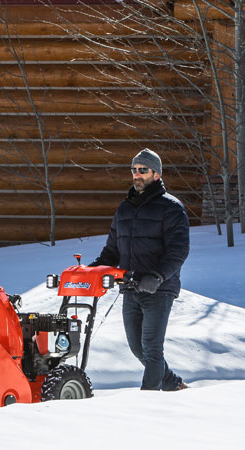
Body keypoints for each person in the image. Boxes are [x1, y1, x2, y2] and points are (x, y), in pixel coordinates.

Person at [90, 148, 189, 391]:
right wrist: (92, 270)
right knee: (137, 348)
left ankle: (148, 403)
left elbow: (178, 250)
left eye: (142, 170)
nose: (137, 174)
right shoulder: (125, 208)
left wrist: (157, 276)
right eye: (134, 170)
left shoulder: (171, 208)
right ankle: (173, 385)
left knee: (152, 348)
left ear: (156, 174)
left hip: (159, 289)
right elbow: (112, 250)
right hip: (130, 287)